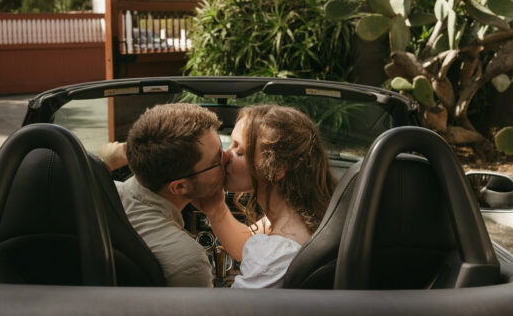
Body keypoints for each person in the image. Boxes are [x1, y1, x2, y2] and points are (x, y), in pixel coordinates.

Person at [200, 104, 336, 289]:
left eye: (239, 152)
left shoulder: (276, 254)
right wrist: (215, 208)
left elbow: (235, 307)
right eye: (229, 145)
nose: (225, 156)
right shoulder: (300, 211)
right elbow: (245, 244)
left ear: (277, 168)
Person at [100, 103, 227, 287]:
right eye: (217, 160)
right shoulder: (189, 262)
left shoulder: (87, 195)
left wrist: (103, 165)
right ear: (179, 187)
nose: (228, 158)